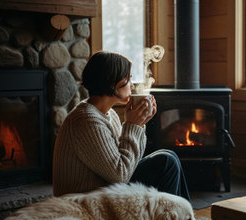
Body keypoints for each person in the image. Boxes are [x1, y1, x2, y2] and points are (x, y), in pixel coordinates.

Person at [52, 51, 190, 201]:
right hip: (86, 200)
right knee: (166, 162)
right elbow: (120, 175)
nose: (132, 86)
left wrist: (140, 123)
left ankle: (182, 218)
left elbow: (130, 161)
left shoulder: (108, 114)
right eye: (128, 79)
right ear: (112, 83)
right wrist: (133, 125)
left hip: (104, 187)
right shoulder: (87, 120)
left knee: (169, 155)